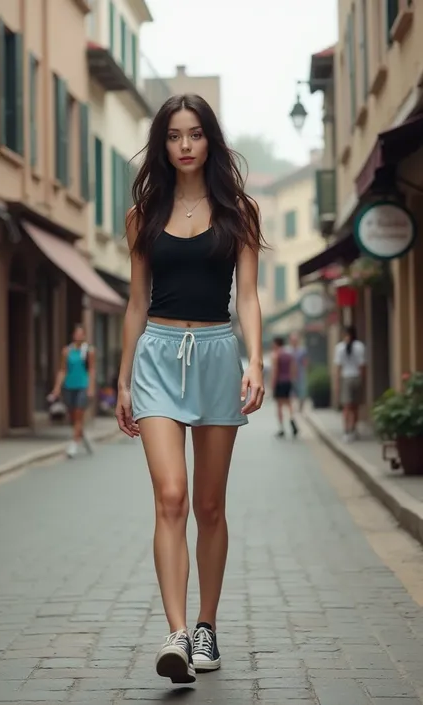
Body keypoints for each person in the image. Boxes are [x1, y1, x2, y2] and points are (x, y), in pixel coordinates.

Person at [115, 94, 265, 685]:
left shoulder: (240, 212)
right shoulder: (143, 215)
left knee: (209, 504)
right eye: (174, 135)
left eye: (195, 134)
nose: (184, 145)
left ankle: (206, 626)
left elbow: (248, 295)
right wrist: (123, 378)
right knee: (170, 496)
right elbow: (134, 303)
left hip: (216, 354)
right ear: (162, 142)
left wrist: (255, 360)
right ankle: (175, 633)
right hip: (155, 355)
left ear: (210, 142)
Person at [48, 324, 96, 458]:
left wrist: (91, 388)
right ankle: (82, 435)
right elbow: (62, 370)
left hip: (83, 385)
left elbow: (92, 370)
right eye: (77, 333)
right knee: (72, 417)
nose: (79, 336)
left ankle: (74, 444)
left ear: (84, 336)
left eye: (81, 333)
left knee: (79, 414)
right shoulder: (66, 351)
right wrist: (57, 388)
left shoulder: (89, 351)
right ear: (73, 335)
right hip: (69, 386)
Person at [334, 325, 366, 442]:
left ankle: (347, 430)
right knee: (354, 406)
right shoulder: (360, 346)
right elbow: (362, 366)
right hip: (356, 377)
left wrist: (337, 383)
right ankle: (352, 429)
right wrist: (362, 380)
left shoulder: (339, 347)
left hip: (346, 378)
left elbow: (338, 367)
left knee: (347, 407)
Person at [271, 336, 298, 438]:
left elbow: (275, 371)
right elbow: (293, 368)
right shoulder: (288, 354)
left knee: (279, 406)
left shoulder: (276, 355)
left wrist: (272, 385)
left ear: (276, 344)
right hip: (288, 381)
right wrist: (292, 379)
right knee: (289, 403)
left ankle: (281, 428)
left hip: (279, 382)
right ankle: (292, 420)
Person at [288, 332, 308, 412]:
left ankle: (300, 409)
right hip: (289, 375)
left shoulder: (302, 350)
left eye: (295, 340)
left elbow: (305, 362)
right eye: (293, 340)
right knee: (291, 393)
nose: (294, 342)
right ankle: (292, 409)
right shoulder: (288, 351)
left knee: (302, 392)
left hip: (300, 374)